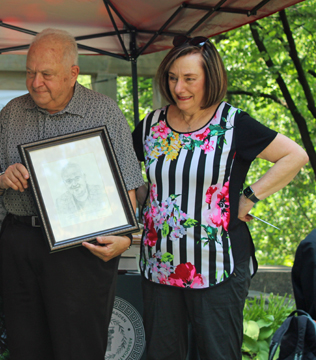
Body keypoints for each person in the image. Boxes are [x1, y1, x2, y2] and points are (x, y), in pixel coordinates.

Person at [131, 35, 308, 360]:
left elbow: (294, 156)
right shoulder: (150, 126)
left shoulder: (233, 123)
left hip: (219, 267)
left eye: (189, 79)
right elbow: (131, 177)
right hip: (159, 265)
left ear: (210, 78)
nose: (178, 88)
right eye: (172, 78)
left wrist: (249, 197)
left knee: (217, 354)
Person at [0, 28, 144, 360]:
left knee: (79, 349)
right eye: (30, 72)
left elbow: (129, 187)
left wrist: (124, 236)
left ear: (73, 74)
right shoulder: (13, 111)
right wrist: (1, 179)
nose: (36, 82)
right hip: (21, 241)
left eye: (46, 74)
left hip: (82, 249)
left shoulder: (104, 111)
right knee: (25, 346)